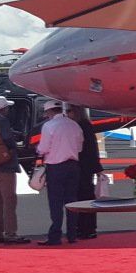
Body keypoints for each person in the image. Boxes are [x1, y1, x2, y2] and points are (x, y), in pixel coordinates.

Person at [0, 96, 30, 244]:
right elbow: (8, 140)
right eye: (7, 107)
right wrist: (15, 146)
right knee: (9, 201)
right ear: (3, 108)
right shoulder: (2, 121)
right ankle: (10, 233)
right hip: (5, 165)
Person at [35, 101, 85, 246]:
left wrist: (38, 151)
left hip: (56, 167)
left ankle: (55, 236)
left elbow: (43, 148)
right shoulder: (74, 125)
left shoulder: (49, 126)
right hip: (73, 165)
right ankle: (72, 235)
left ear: (50, 112)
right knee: (72, 201)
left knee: (55, 203)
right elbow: (80, 147)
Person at [68, 107, 103, 240]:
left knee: (85, 197)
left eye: (70, 111)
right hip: (85, 166)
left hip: (84, 167)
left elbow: (91, 148)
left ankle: (87, 228)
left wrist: (96, 166)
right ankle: (85, 227)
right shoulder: (83, 125)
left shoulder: (82, 126)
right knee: (83, 197)